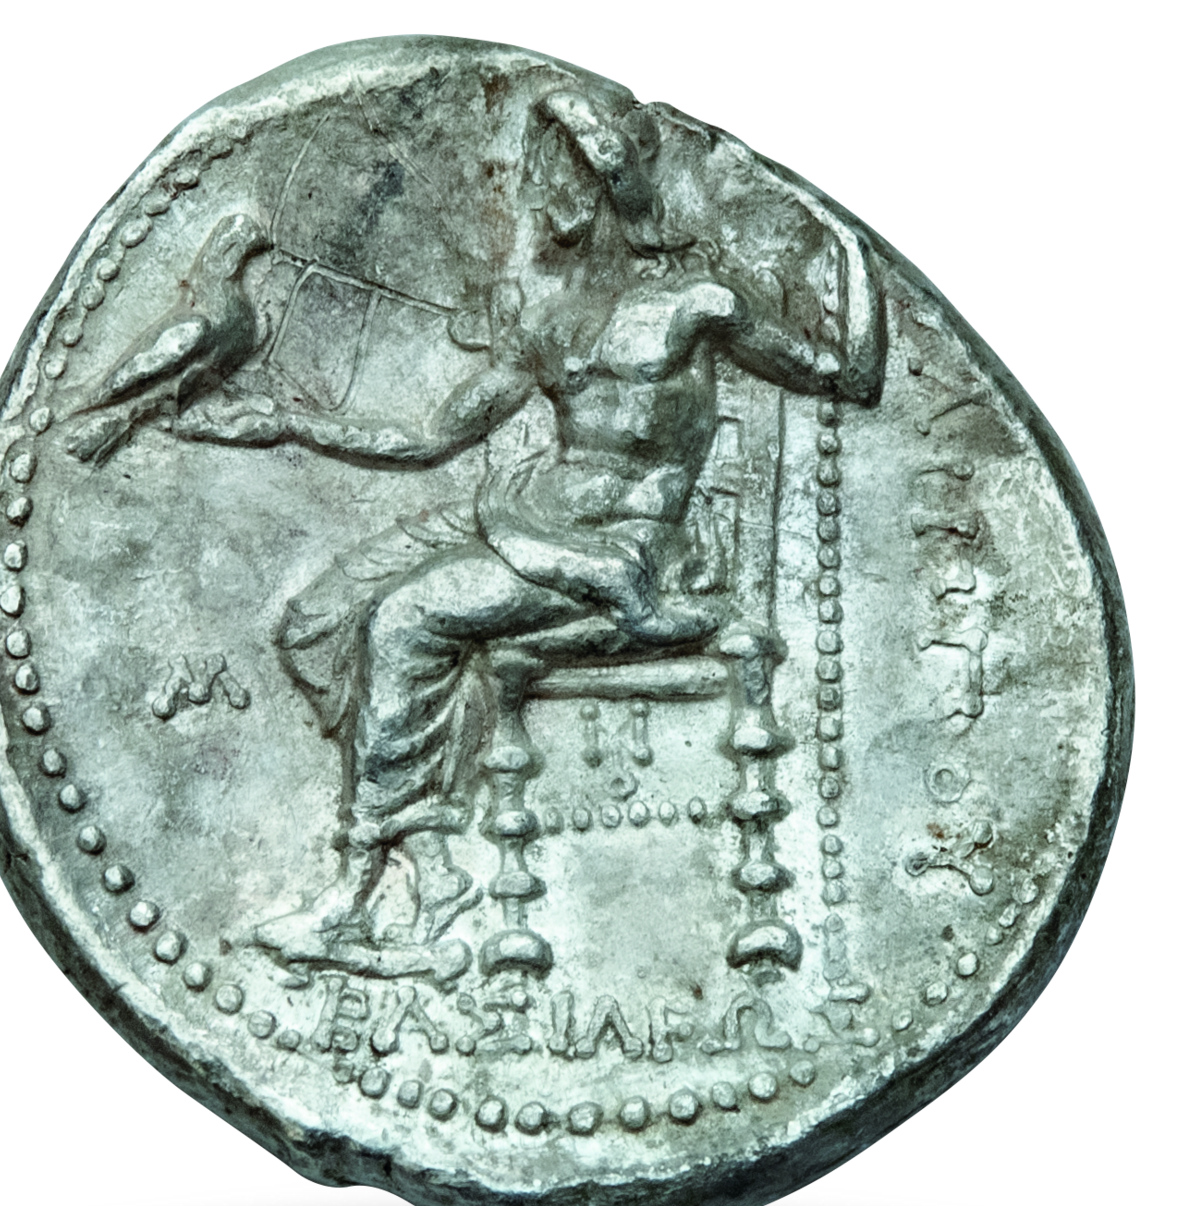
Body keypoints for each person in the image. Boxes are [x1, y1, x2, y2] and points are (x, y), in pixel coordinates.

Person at [176, 90, 886, 965]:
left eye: (547, 179)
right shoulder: (550, 324)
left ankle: (355, 894)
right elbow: (432, 437)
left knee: (405, 619)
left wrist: (850, 249)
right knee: (326, 611)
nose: (532, 198)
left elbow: (843, 376)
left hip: (625, 550)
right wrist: (289, 423)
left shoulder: (699, 306)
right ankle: (434, 865)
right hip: (527, 520)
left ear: (592, 190)